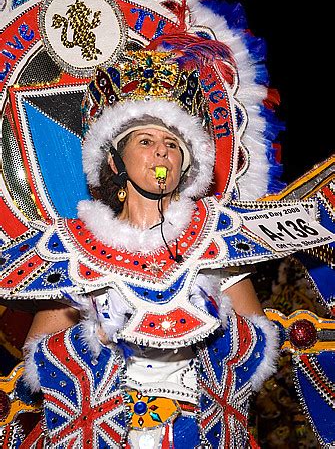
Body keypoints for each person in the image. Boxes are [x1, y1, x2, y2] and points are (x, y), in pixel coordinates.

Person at [19, 49, 281, 448]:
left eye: (174, 145)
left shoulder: (217, 240)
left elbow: (258, 347)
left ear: (187, 165)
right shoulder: (71, 249)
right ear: (113, 162)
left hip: (198, 431)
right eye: (146, 140)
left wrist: (205, 331)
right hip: (107, 432)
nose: (162, 152)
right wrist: (99, 338)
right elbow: (40, 359)